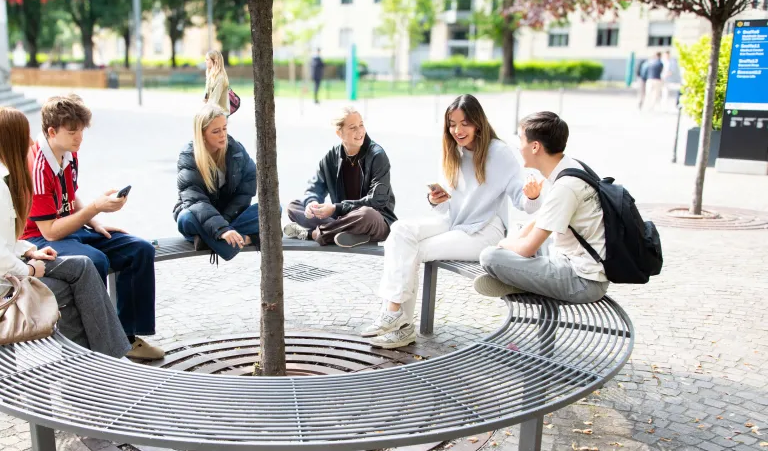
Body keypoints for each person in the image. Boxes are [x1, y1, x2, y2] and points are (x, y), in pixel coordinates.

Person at [0, 105, 132, 358]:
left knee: (82, 266)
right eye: (23, 135)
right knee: (67, 289)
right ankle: (87, 366)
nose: (29, 142)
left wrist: (31, 250)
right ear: (11, 140)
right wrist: (29, 270)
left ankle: (106, 357)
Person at [363, 94, 542, 349]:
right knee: (400, 230)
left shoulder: (499, 153)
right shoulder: (452, 152)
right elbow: (446, 206)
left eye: (464, 123)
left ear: (478, 123)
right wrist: (436, 199)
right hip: (455, 221)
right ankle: (395, 316)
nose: (457, 130)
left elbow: (522, 202)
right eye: (452, 123)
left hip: (485, 230)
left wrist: (533, 196)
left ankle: (398, 322)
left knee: (415, 250)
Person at [22, 94, 163, 361]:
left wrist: (94, 222)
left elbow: (69, 195)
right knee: (93, 260)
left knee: (139, 250)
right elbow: (49, 232)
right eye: (72, 131)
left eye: (82, 130)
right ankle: (92, 347)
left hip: (69, 228)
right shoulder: (38, 167)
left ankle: (127, 336)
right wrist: (95, 208)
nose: (79, 138)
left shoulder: (69, 153)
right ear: (52, 132)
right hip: (38, 239)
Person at [477, 111, 608, 304]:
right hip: (575, 264)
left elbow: (527, 249)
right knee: (521, 229)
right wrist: (516, 240)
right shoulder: (570, 167)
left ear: (535, 146)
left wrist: (503, 245)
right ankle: (523, 279)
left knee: (489, 257)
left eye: (521, 140)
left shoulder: (565, 187)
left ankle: (521, 282)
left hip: (582, 281)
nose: (519, 147)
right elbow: (541, 220)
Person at [282, 106, 394, 248]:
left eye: (361, 125)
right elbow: (314, 187)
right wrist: (312, 203)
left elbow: (378, 201)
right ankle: (349, 234)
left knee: (367, 214)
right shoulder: (332, 157)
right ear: (339, 133)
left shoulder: (377, 155)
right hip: (342, 218)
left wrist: (336, 208)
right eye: (353, 127)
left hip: (375, 219)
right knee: (294, 205)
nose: (360, 131)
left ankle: (314, 234)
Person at [174, 103, 259, 262]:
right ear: (202, 134)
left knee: (271, 210)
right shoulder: (188, 156)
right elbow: (196, 201)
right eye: (216, 131)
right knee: (186, 217)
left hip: (229, 217)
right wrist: (221, 229)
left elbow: (247, 189)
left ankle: (208, 240)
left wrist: (225, 223)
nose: (223, 135)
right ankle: (244, 239)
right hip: (199, 216)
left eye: (225, 128)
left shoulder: (236, 150)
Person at [203, 50, 230, 115]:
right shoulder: (210, 75)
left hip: (220, 114)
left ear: (214, 61)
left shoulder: (220, 78)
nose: (205, 61)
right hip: (213, 112)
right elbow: (208, 95)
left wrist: (204, 113)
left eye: (207, 59)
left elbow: (214, 100)